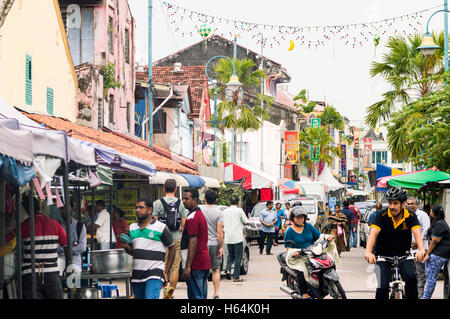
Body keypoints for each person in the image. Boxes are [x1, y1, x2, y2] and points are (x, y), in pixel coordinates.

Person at [365, 187, 425, 300]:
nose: (392, 207)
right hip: (383, 256)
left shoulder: (411, 216)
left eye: (395, 203)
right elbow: (373, 234)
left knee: (411, 280)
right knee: (382, 287)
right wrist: (368, 252)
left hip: (404, 255)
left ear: (403, 204)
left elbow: (417, 233)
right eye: (390, 203)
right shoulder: (381, 215)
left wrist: (421, 249)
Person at [120, 198, 175, 299]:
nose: (137, 210)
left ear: (150, 210)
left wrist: (166, 271)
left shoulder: (161, 227)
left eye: (141, 207)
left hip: (154, 272)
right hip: (137, 274)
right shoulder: (132, 228)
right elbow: (134, 252)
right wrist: (126, 246)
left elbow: (172, 248)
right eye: (136, 207)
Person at [21, 195, 69, 299]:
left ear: (26, 209)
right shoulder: (55, 224)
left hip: (30, 274)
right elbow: (66, 245)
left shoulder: (24, 225)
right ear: (39, 207)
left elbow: (10, 241)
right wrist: (68, 265)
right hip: (51, 273)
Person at [284, 206, 333, 299]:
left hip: (312, 252)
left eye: (301, 217)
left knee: (325, 263)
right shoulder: (290, 230)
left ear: (305, 218)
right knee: (301, 269)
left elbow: (319, 236)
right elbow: (287, 246)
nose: (299, 219)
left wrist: (327, 237)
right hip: (298, 255)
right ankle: (303, 292)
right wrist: (294, 252)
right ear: (293, 218)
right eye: (297, 217)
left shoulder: (309, 227)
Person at [153, 179, 188, 298]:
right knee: (175, 267)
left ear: (164, 188)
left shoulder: (158, 203)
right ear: (175, 189)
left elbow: (154, 222)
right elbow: (184, 223)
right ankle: (170, 294)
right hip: (176, 238)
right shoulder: (180, 203)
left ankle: (163, 289)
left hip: (161, 240)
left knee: (162, 264)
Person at [181, 188, 210, 299]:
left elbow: (193, 242)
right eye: (183, 198)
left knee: (196, 296)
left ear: (195, 200)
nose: (183, 201)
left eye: (186, 199)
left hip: (196, 263)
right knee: (201, 295)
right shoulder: (198, 214)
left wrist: (187, 266)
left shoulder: (193, 217)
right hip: (202, 262)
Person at [422, 204, 450, 299]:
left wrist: (427, 254)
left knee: (430, 279)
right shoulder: (440, 222)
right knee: (430, 277)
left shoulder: (440, 224)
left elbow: (434, 241)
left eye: (431, 211)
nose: (430, 212)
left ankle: (426, 297)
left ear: (433, 212)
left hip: (438, 254)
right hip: (439, 254)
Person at [200, 189, 224, 298]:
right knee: (215, 269)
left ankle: (204, 293)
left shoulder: (200, 210)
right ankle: (216, 293)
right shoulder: (219, 212)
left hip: (202, 244)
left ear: (205, 199)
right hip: (214, 243)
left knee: (203, 271)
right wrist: (221, 246)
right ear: (216, 200)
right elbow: (219, 232)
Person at [406, 196, 430, 298]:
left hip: (420, 248)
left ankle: (420, 295)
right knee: (411, 273)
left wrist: (418, 241)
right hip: (409, 249)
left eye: (412, 204)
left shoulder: (422, 215)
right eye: (409, 204)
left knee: (420, 273)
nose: (410, 205)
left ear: (417, 205)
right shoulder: (406, 215)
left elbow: (426, 229)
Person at [222, 195, 248, 283]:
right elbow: (245, 221)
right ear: (238, 203)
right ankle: (236, 276)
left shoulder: (224, 211)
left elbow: (222, 222)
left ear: (230, 202)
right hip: (237, 237)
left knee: (231, 255)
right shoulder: (239, 210)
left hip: (228, 237)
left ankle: (228, 269)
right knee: (238, 257)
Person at [57, 198, 87, 271]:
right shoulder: (57, 225)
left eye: (66, 208)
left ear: (72, 208)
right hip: (59, 263)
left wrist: (65, 248)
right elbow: (55, 247)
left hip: (75, 264)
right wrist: (73, 245)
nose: (64, 211)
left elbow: (82, 247)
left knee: (74, 281)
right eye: (61, 209)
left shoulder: (80, 227)